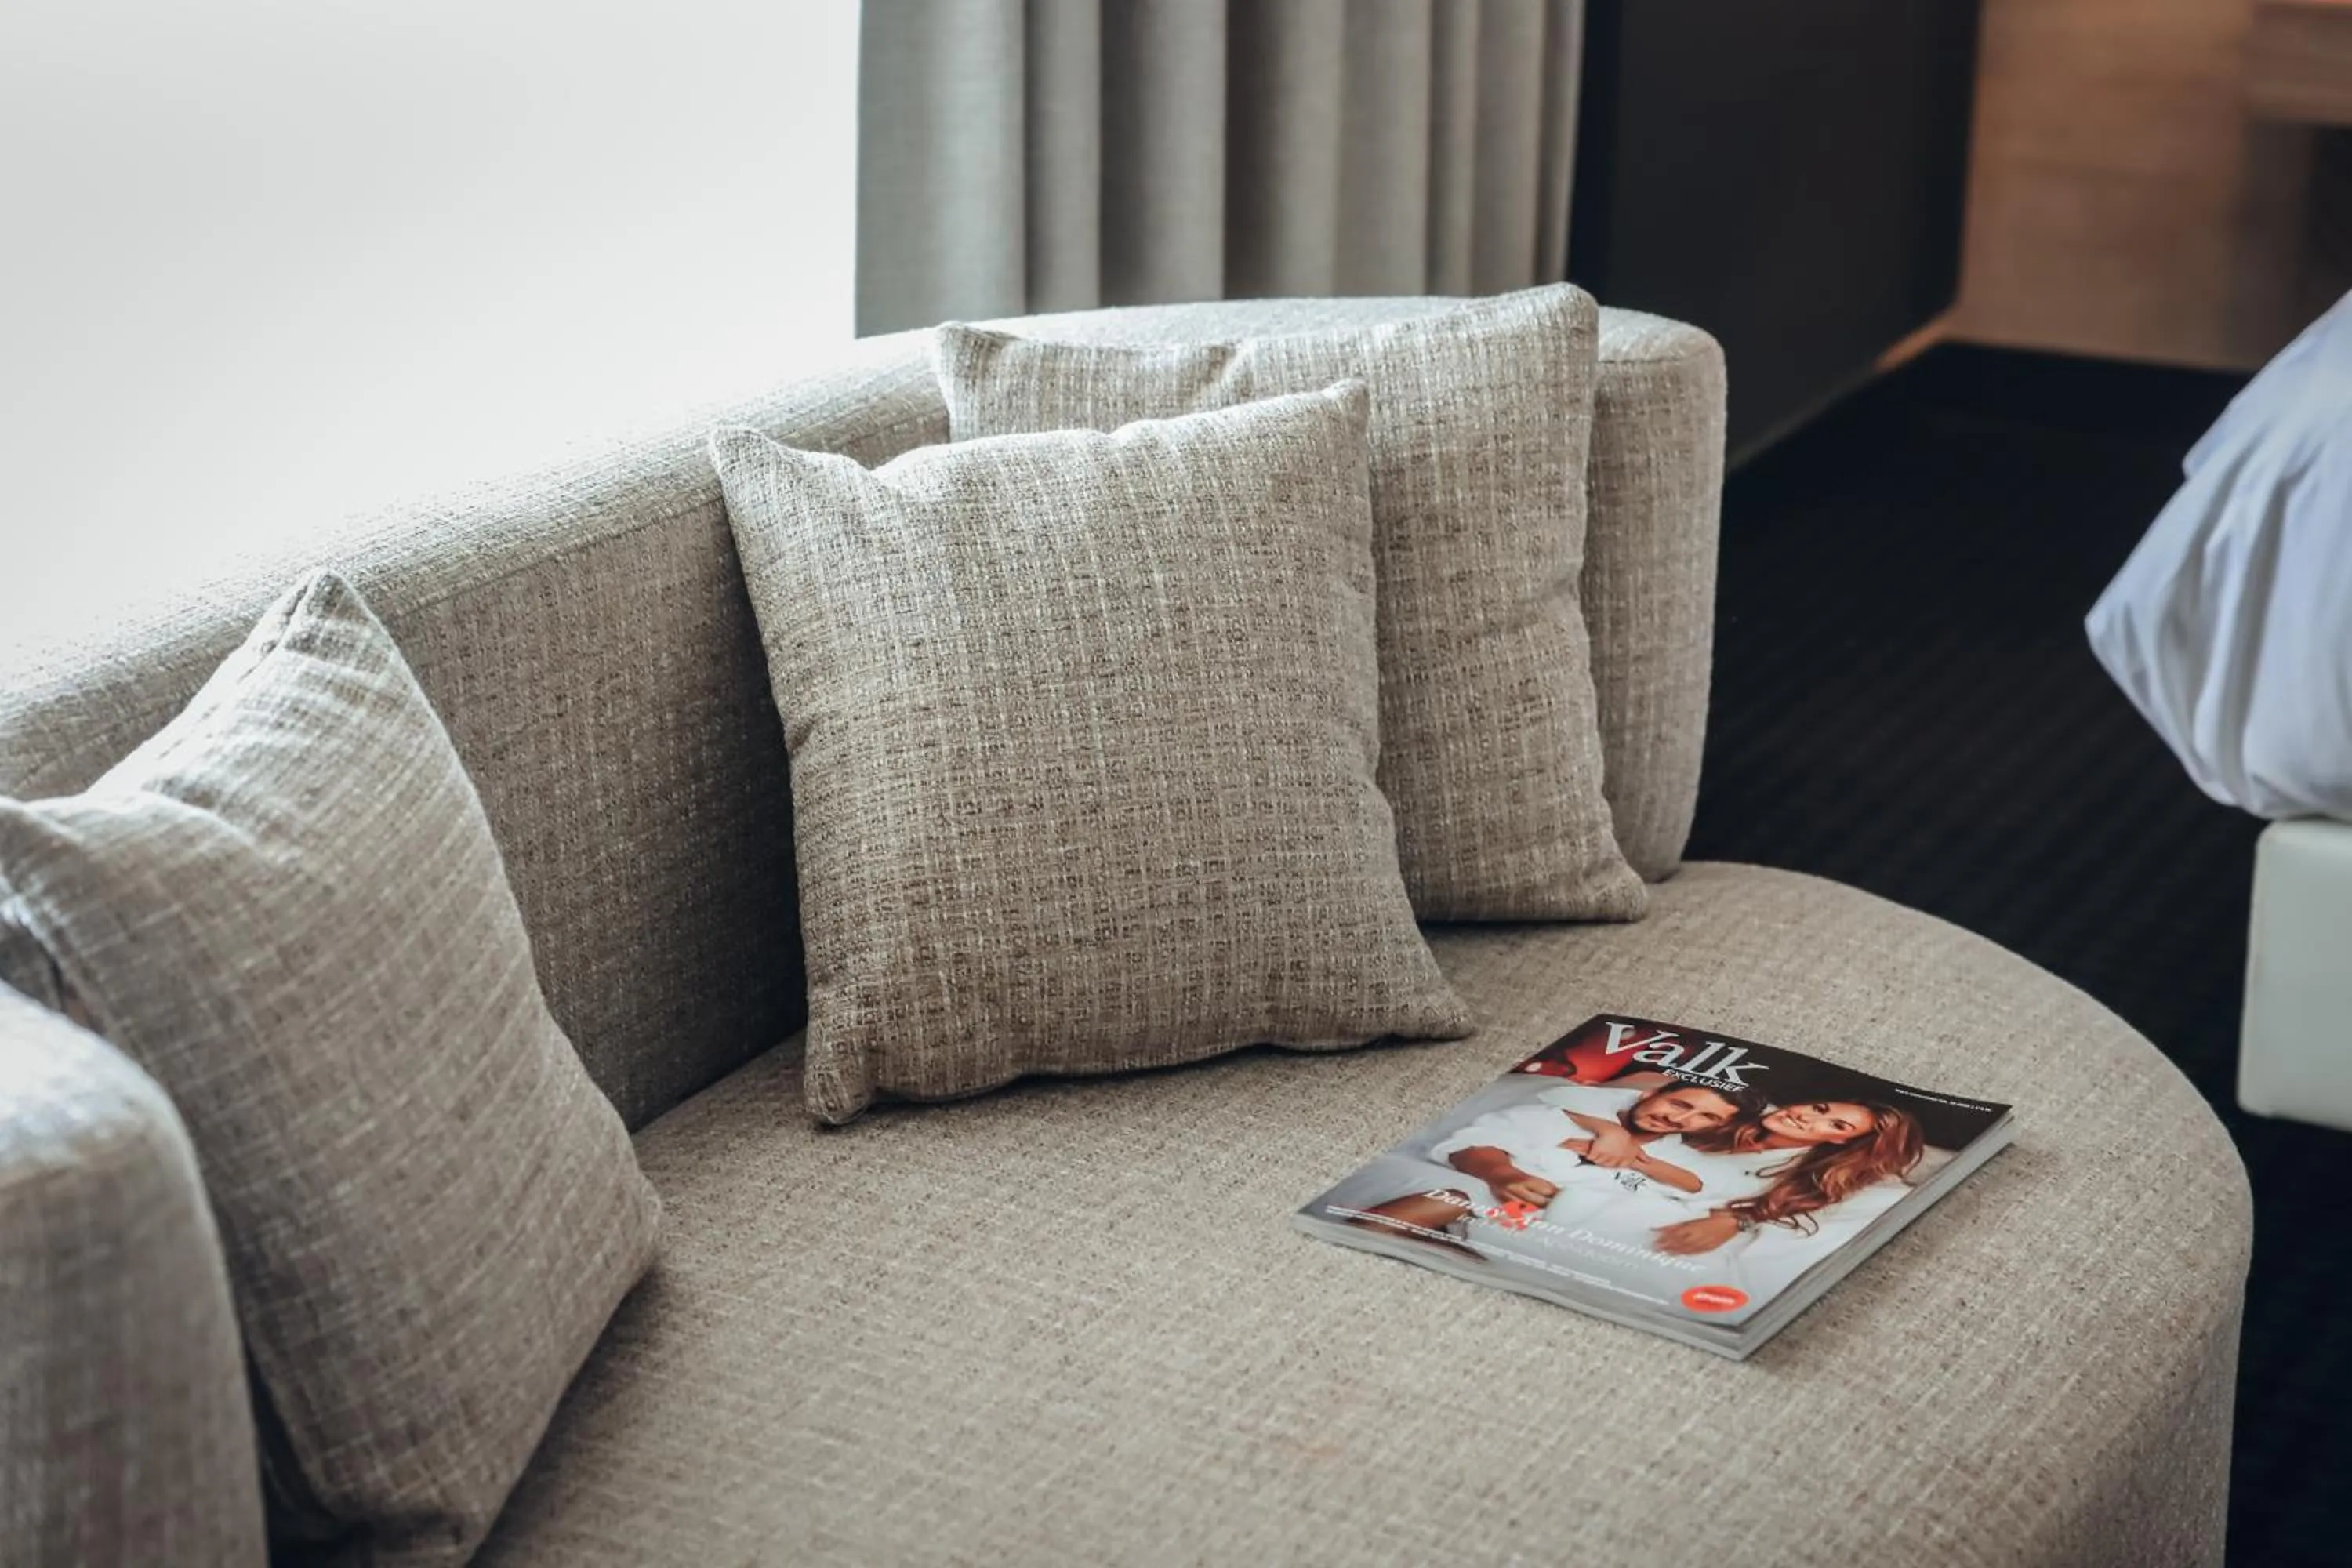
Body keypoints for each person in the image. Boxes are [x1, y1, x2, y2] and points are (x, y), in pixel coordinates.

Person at [1343, 1075, 1759, 1240]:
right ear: (1652, 1094)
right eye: (1682, 1104)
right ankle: (1353, 1243)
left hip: (1563, 1226)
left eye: (1706, 1118)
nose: (1680, 1118)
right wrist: (1501, 1174)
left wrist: (1638, 1162)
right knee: (1448, 1196)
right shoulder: (1559, 1113)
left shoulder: (1675, 1156)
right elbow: (1479, 1142)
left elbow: (1705, 1189)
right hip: (1498, 1195)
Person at [1645, 1098, 1925, 1256]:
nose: (1807, 1118)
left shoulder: (1807, 1175)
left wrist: (1737, 1222)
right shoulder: (1737, 1111)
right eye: (1819, 1109)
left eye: (1836, 1125)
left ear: (1841, 1141)